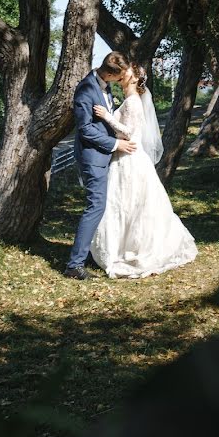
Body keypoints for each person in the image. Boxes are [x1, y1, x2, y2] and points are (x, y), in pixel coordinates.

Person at [90, 65, 197, 278]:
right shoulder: (128, 101)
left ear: (135, 78)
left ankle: (131, 249)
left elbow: (129, 132)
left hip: (130, 157)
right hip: (124, 156)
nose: (122, 73)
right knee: (123, 203)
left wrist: (106, 117)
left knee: (131, 204)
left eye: (127, 71)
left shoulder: (134, 103)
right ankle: (119, 247)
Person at [64, 52, 139, 280]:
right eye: (119, 77)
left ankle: (90, 253)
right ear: (109, 73)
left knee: (102, 206)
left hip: (104, 156)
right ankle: (74, 265)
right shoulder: (85, 90)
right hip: (93, 157)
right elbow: (85, 129)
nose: (120, 80)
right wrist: (116, 143)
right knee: (95, 206)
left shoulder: (104, 85)